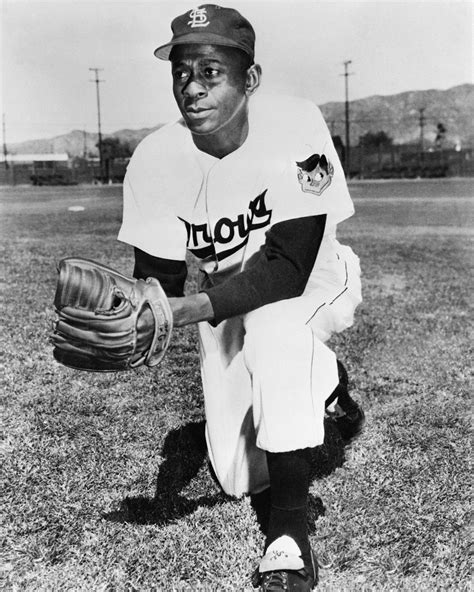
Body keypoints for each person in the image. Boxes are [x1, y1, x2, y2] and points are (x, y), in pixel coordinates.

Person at [118, 5, 364, 590]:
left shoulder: (295, 123)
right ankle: (327, 380)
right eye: (181, 71)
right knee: (235, 476)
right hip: (228, 300)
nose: (191, 87)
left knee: (277, 331)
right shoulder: (155, 157)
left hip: (316, 280)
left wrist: (187, 310)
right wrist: (141, 319)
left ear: (249, 79)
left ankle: (289, 535)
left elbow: (287, 270)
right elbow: (160, 280)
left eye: (210, 71)